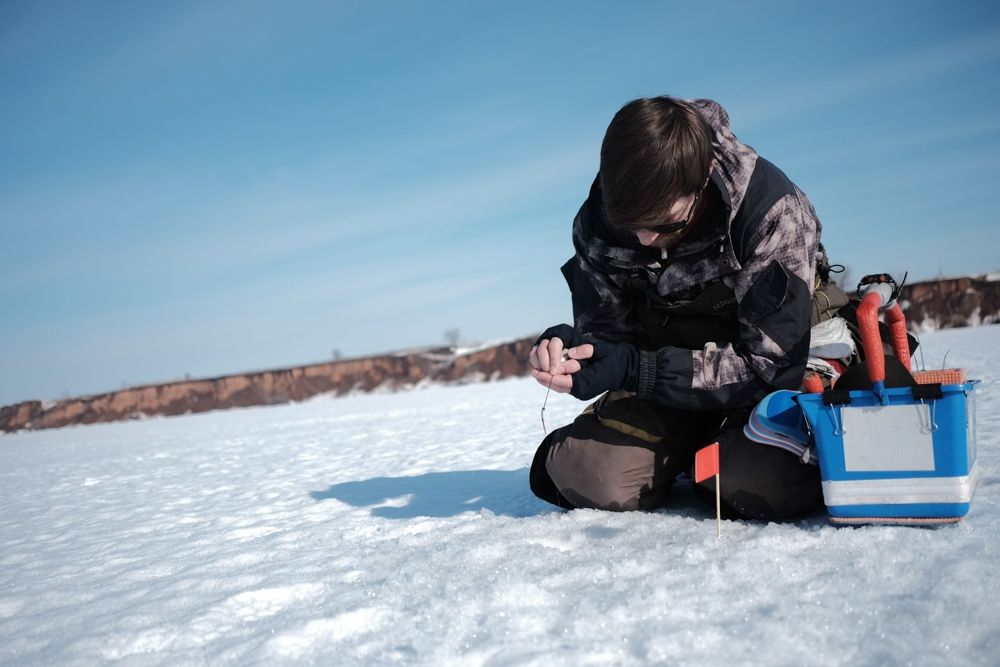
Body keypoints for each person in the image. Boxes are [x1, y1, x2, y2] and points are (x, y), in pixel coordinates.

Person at [528, 96, 832, 520]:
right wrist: (575, 351)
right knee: (587, 475)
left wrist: (641, 369)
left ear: (704, 176)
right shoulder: (599, 222)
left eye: (665, 223)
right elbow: (611, 341)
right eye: (631, 226)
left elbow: (771, 367)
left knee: (749, 482)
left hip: (771, 378)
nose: (645, 241)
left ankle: (718, 453)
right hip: (669, 386)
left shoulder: (770, 211)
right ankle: (685, 448)